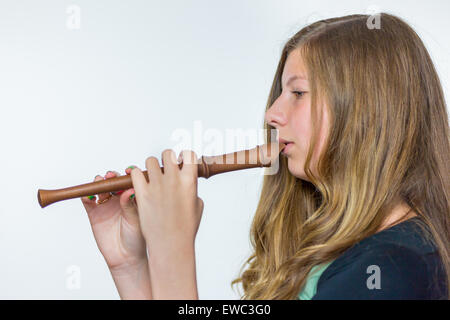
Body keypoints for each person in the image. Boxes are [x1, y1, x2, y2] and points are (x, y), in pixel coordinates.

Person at [82, 12, 449, 300]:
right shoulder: (337, 254)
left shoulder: (394, 269)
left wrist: (171, 245)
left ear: (368, 109)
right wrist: (130, 267)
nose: (272, 113)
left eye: (298, 93)